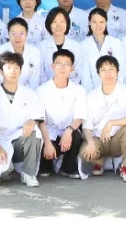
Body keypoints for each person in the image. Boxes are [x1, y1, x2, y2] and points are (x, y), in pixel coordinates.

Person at [80, 55, 126, 182]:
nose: (108, 74)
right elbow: (86, 126)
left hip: (117, 140)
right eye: (103, 70)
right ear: (98, 74)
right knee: (85, 152)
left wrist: (111, 123)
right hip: (98, 139)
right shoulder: (91, 96)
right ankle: (99, 161)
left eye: (111, 69)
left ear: (118, 72)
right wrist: (90, 142)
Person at [0, 52, 46, 187]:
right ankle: (8, 167)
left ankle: (28, 173)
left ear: (21, 71)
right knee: (3, 173)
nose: (13, 71)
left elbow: (37, 115)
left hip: (20, 139)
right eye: (9, 67)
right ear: (1, 71)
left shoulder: (30, 94)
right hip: (0, 141)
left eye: (16, 67)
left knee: (35, 132)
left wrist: (32, 121)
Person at [36, 49, 87, 179]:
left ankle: (67, 168)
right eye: (59, 63)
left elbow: (79, 117)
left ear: (72, 68)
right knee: (43, 143)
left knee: (76, 135)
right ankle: (46, 165)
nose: (62, 67)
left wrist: (68, 131)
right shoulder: (42, 90)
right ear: (52, 66)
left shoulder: (79, 90)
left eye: (67, 64)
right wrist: (47, 143)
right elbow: (40, 120)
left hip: (68, 131)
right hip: (49, 132)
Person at [80, 8, 126, 92]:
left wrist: (117, 89)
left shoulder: (116, 43)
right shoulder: (84, 45)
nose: (98, 25)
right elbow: (84, 74)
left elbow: (122, 68)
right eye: (94, 22)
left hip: (115, 90)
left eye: (101, 22)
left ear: (106, 23)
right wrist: (90, 92)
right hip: (93, 91)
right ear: (89, 23)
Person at [39, 7, 84, 84]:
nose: (58, 25)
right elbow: (40, 73)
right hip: (47, 88)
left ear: (67, 24)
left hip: (71, 88)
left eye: (62, 21)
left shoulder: (76, 46)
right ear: (49, 24)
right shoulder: (41, 46)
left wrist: (68, 87)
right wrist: (49, 87)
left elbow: (77, 72)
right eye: (54, 21)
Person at [0, 18, 43, 90]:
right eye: (13, 33)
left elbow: (34, 80)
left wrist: (27, 94)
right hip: (5, 92)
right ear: (8, 34)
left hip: (28, 92)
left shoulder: (34, 52)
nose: (17, 37)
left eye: (21, 33)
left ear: (27, 34)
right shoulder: (0, 51)